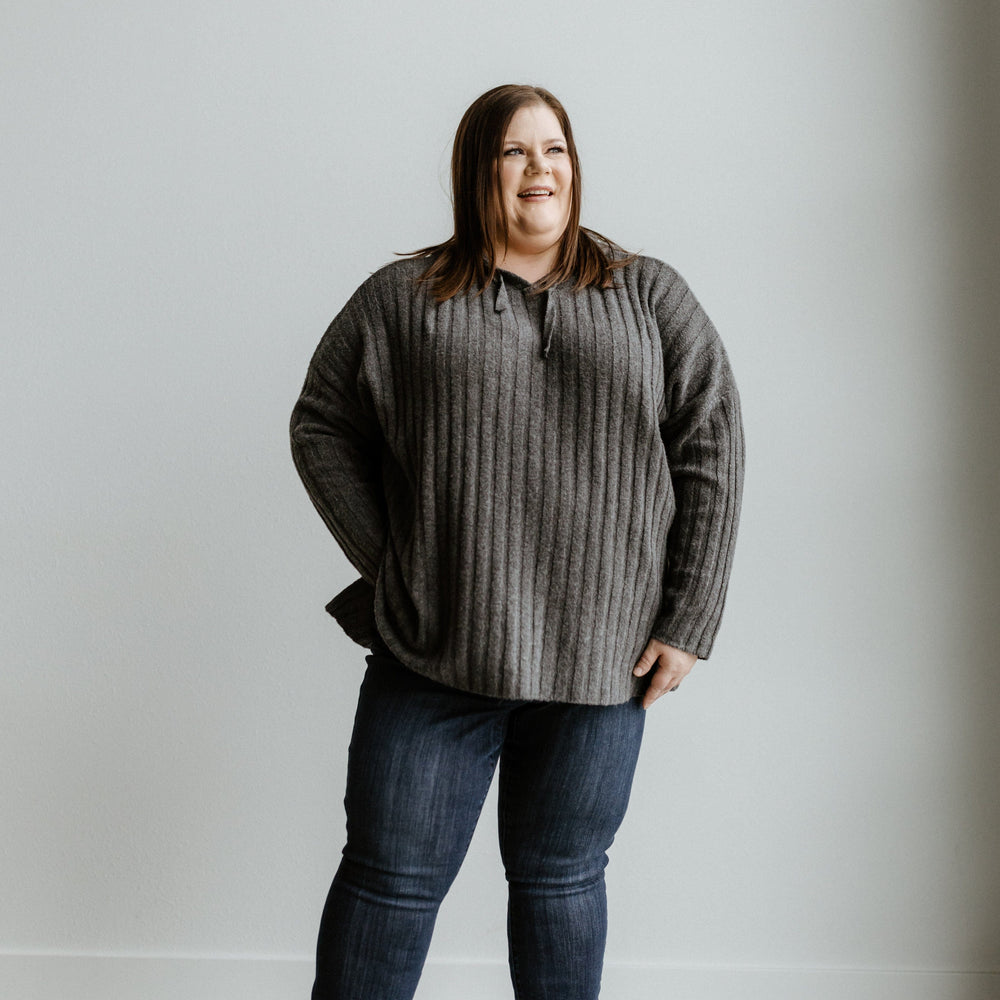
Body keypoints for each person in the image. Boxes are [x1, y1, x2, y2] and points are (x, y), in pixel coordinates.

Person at [289, 83, 744, 1000]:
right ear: (476, 171)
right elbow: (321, 425)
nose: (540, 170)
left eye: (556, 150)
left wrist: (689, 617)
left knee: (561, 882)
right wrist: (399, 566)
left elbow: (711, 442)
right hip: (436, 652)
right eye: (514, 152)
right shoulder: (403, 299)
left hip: (598, 663)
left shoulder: (650, 294)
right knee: (389, 883)